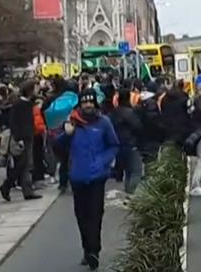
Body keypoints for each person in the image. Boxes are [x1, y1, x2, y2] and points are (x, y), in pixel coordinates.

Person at [57, 89, 119, 271]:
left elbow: (114, 145)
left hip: (97, 177)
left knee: (95, 214)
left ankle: (94, 251)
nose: (88, 105)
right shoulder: (72, 123)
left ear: (95, 103)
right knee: (81, 216)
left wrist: (102, 161)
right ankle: (87, 249)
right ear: (80, 105)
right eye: (84, 102)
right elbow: (57, 147)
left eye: (91, 102)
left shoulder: (104, 123)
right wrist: (66, 134)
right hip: (77, 176)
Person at [0, 80, 41, 201]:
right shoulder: (19, 105)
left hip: (29, 137)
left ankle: (26, 190)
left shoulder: (28, 104)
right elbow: (14, 123)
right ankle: (8, 186)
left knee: (25, 165)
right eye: (35, 88)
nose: (37, 90)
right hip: (23, 138)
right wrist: (18, 138)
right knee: (23, 165)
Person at [109, 87, 144, 194]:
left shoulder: (113, 113)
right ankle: (130, 193)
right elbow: (138, 127)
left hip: (118, 146)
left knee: (127, 171)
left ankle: (127, 192)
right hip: (130, 144)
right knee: (135, 171)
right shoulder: (130, 113)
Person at [136, 80, 166, 171]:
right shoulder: (152, 104)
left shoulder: (141, 102)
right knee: (152, 163)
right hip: (152, 140)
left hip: (143, 139)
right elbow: (155, 123)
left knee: (148, 163)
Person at [160, 80, 191, 147]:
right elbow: (189, 113)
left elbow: (162, 109)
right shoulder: (185, 99)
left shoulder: (165, 97)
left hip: (168, 127)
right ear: (182, 87)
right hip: (181, 129)